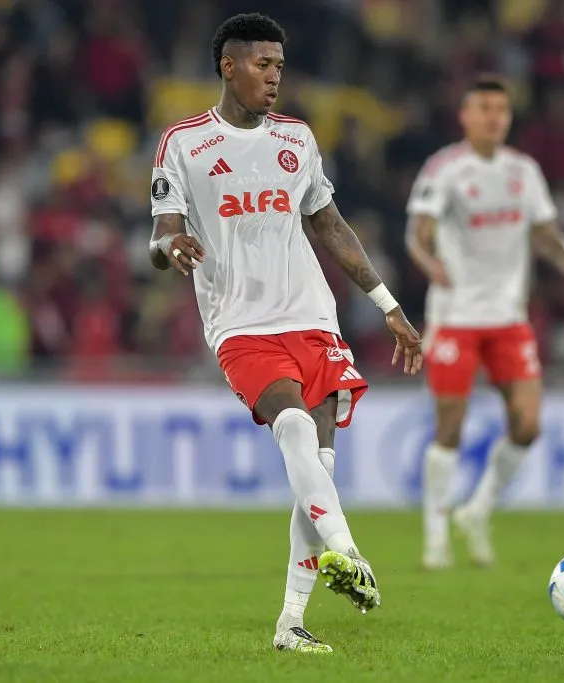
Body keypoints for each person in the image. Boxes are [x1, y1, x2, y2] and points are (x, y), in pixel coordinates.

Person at [147, 13, 423, 654]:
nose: (275, 77)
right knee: (294, 428)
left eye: (279, 66)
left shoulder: (297, 139)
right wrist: (173, 246)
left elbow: (330, 227)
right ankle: (349, 551)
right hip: (240, 325)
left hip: (312, 316)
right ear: (229, 66)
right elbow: (161, 234)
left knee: (318, 470)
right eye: (263, 65)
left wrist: (388, 304)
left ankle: (290, 624)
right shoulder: (184, 143)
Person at [405, 76, 564, 570]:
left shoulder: (524, 171)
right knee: (449, 423)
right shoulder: (445, 169)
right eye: (485, 108)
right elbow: (418, 233)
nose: (494, 116)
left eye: (501, 109)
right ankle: (435, 537)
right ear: (466, 116)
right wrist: (431, 265)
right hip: (454, 317)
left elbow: (545, 232)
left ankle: (478, 510)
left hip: (508, 318)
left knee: (529, 424)